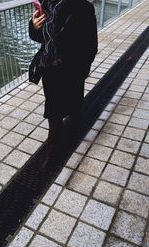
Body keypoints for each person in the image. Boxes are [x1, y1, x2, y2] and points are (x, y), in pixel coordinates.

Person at [28, 0, 98, 169]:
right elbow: (40, 38)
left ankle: (75, 122)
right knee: (53, 111)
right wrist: (34, 26)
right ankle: (52, 150)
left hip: (73, 67)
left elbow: (91, 43)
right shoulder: (45, 4)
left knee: (75, 100)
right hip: (49, 67)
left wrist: (84, 68)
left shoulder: (83, 7)